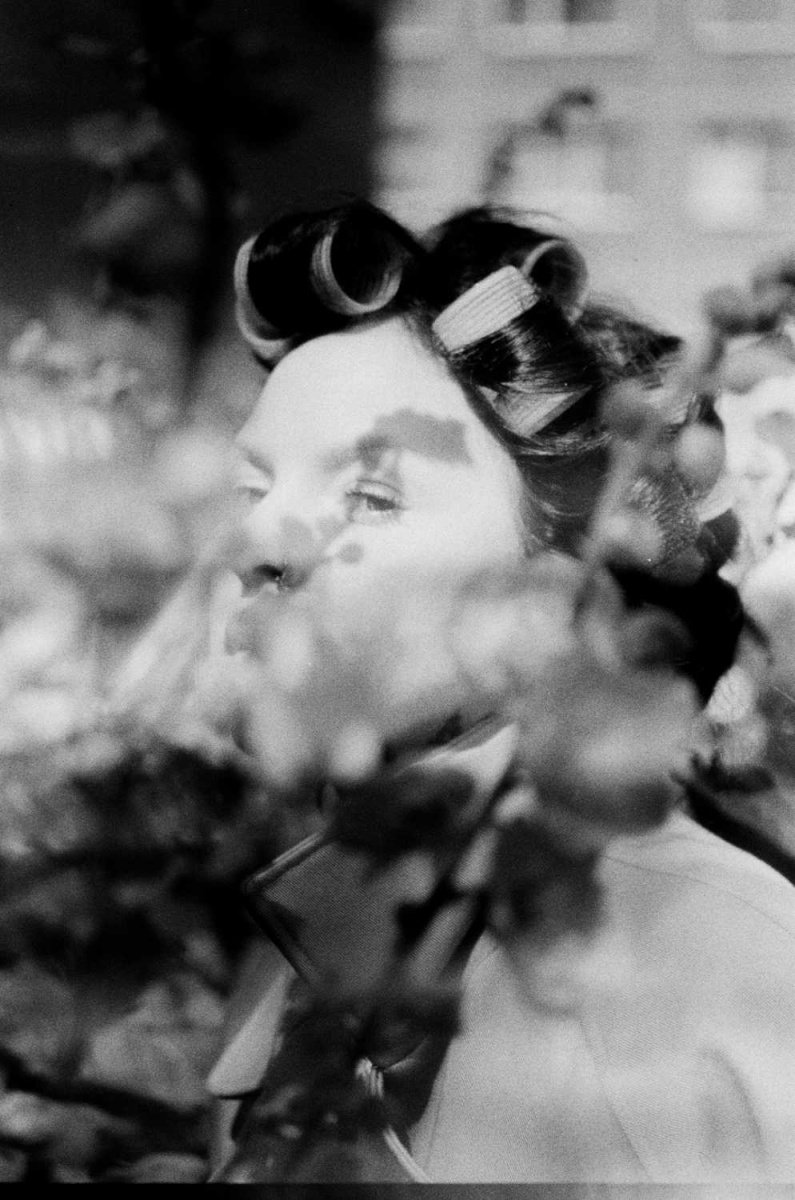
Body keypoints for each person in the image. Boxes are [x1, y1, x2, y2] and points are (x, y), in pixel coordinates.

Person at [206, 200, 795, 1184]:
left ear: (557, 586)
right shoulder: (305, 933)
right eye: (251, 489)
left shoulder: (706, 959)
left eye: (370, 496)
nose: (259, 541)